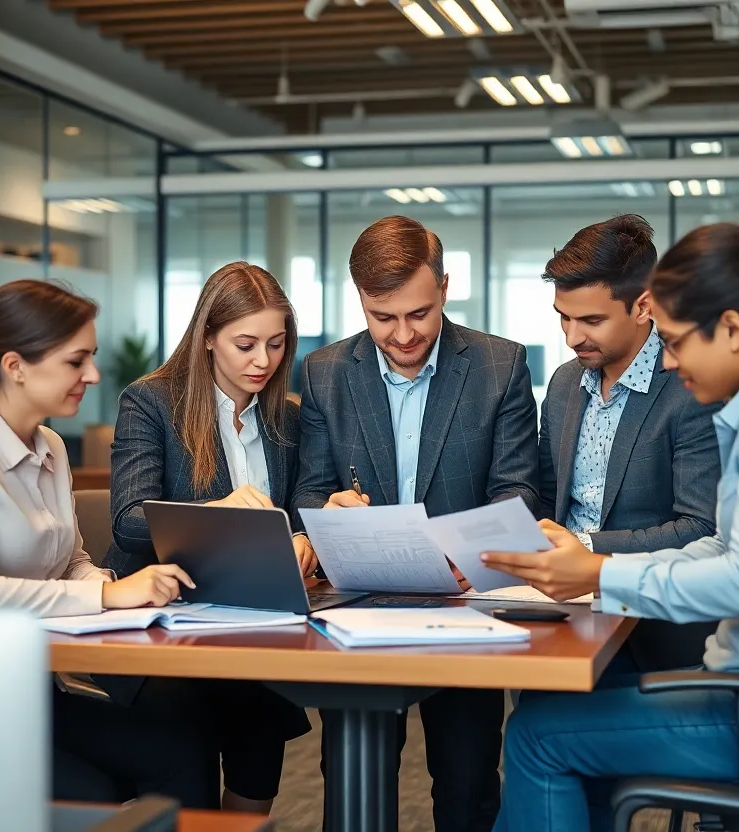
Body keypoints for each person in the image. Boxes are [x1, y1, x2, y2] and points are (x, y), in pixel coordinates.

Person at [482, 223, 739, 832]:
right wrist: (597, 572)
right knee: (557, 718)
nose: (672, 360)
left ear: (732, 329)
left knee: (538, 738)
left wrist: (599, 569)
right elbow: (724, 546)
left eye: (678, 341)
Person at [0, 279, 210, 807]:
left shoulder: (51, 446)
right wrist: (107, 597)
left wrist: (121, 586)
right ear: (15, 366)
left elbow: (72, 563)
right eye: (75, 361)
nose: (93, 375)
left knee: (181, 747)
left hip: (27, 691)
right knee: (95, 791)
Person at [292, 215, 541, 832]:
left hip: (466, 607)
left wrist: (469, 553)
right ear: (361, 301)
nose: (403, 334)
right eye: (383, 317)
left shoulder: (498, 365)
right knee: (355, 784)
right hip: (359, 607)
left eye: (419, 313)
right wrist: (325, 512)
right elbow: (310, 488)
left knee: (467, 786)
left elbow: (518, 492)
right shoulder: (325, 373)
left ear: (445, 288)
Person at [101, 262, 312, 815]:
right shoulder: (152, 402)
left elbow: (292, 513)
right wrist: (217, 510)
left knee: (263, 707)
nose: (262, 361)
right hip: (159, 624)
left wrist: (301, 536)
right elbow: (127, 519)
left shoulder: (284, 420)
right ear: (208, 340)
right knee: (201, 720)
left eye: (275, 343)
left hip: (247, 620)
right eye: (245, 344)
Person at [538, 215, 720, 673]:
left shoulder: (689, 386)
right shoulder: (564, 384)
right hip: (560, 615)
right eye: (564, 318)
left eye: (591, 320)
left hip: (653, 629)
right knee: (535, 723)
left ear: (643, 307)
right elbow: (545, 498)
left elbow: (701, 527)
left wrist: (584, 549)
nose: (572, 337)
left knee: (542, 736)